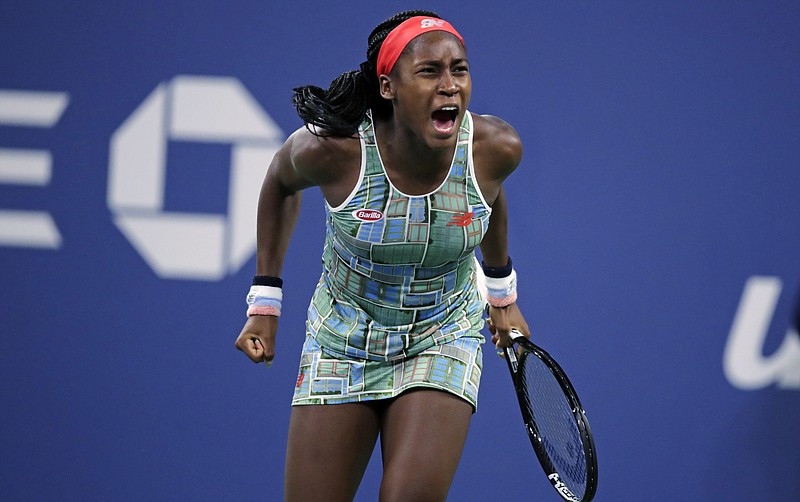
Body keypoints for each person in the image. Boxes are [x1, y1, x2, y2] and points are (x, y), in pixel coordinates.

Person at [235, 10, 530, 501]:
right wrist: (264, 302)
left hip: (442, 334)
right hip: (342, 337)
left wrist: (501, 295)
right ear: (388, 86)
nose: (451, 85)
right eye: (430, 71)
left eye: (459, 69)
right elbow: (279, 184)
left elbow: (488, 199)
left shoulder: (495, 148)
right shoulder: (333, 151)